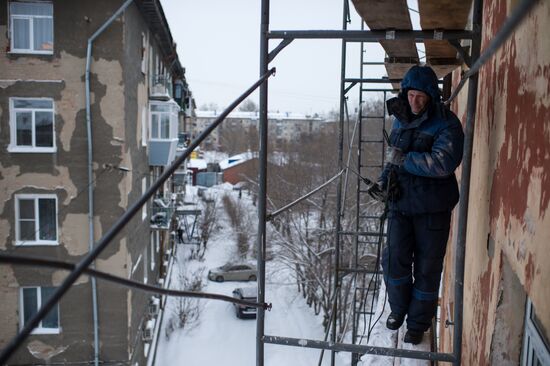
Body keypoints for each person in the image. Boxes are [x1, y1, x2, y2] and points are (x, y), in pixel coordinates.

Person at [368, 65, 464, 344]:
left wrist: (404, 161)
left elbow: (442, 163)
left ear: (431, 96)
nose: (414, 102)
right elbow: (393, 157)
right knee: (392, 260)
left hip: (433, 209)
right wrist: (384, 182)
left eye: (420, 96)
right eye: (410, 95)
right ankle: (399, 310)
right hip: (401, 204)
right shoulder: (400, 118)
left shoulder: (447, 123)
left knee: (427, 267)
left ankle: (417, 324)